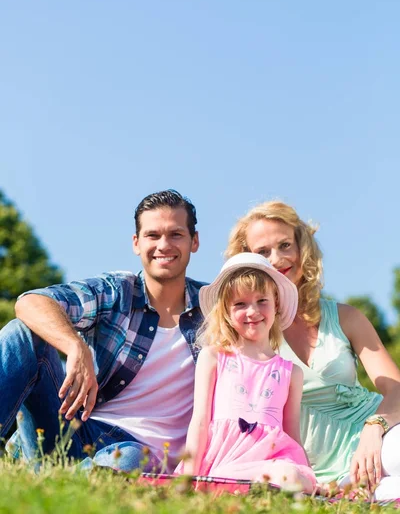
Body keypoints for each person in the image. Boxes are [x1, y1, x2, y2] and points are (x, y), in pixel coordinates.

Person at [0, 189, 206, 472]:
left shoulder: (215, 308)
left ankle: (56, 478)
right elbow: (31, 302)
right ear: (136, 243)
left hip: (136, 455)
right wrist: (74, 344)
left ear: (194, 241)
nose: (164, 245)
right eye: (153, 235)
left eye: (176, 235)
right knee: (23, 335)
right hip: (78, 429)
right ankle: (52, 469)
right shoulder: (118, 291)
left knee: (132, 457)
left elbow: (271, 314)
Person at [225, 200, 400, 499]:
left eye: (284, 245)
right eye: (263, 252)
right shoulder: (245, 335)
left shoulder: (346, 317)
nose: (277, 258)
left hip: (377, 439)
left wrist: (375, 429)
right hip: (315, 470)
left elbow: (395, 387)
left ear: (301, 248)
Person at [175, 252, 317, 493]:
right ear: (227, 313)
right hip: (226, 463)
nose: (252, 312)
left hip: (275, 464)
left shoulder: (290, 373)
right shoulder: (214, 357)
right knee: (255, 478)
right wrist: (189, 477)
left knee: (290, 475)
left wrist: (307, 475)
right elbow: (199, 421)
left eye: (262, 301)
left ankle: (295, 489)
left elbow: (292, 434)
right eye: (240, 304)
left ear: (276, 305)